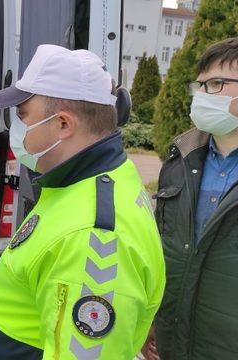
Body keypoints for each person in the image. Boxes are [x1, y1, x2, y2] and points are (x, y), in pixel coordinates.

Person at [0, 44, 166, 359]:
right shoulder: (88, 179)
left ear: (63, 124)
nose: (15, 130)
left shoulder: (93, 237)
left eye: (22, 117)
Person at [142, 37, 238, 360]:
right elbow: (163, 250)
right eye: (199, 85)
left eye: (215, 84)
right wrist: (151, 319)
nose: (201, 96)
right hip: (173, 343)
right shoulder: (181, 159)